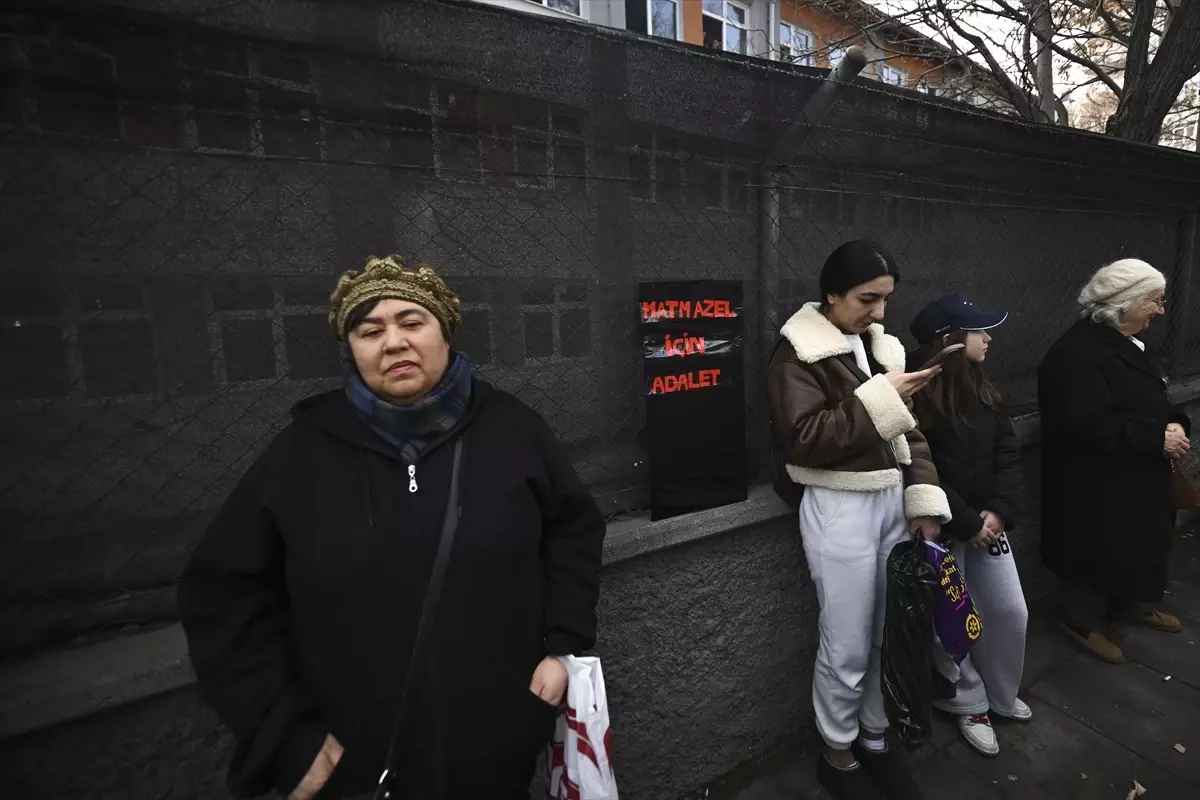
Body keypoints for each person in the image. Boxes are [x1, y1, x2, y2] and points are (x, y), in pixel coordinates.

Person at [179, 255, 607, 800]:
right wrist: (282, 735)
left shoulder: (513, 430)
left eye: (412, 322)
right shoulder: (301, 456)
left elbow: (572, 531)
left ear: (444, 332)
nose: (394, 342)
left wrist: (563, 644)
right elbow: (221, 595)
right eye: (370, 330)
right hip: (358, 759)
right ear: (352, 350)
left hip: (497, 744)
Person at [767, 239, 951, 800]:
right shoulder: (797, 353)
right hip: (838, 503)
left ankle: (873, 735)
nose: (878, 311)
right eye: (867, 299)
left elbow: (909, 433)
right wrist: (881, 401)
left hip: (891, 500)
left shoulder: (879, 345)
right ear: (832, 294)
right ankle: (837, 750)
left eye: (885, 299)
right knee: (846, 641)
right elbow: (804, 440)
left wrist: (923, 502)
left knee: (886, 632)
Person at [1039, 258, 1191, 664]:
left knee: (1137, 542)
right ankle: (1079, 620)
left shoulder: (1129, 341)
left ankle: (1131, 604)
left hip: (1133, 471)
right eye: (1154, 301)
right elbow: (1081, 423)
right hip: (1095, 481)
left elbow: (1154, 397)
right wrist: (1156, 438)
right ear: (1125, 302)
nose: (1161, 310)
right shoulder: (1076, 353)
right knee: (1094, 550)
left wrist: (1175, 423)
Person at [909, 296, 1031, 758]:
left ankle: (1000, 693)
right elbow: (922, 467)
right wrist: (965, 522)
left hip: (989, 526)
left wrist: (998, 512)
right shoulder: (918, 395)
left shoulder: (985, 390)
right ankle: (968, 703)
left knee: (1009, 610)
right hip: (945, 530)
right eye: (979, 331)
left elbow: (1008, 454)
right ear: (951, 341)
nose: (988, 338)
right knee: (950, 624)